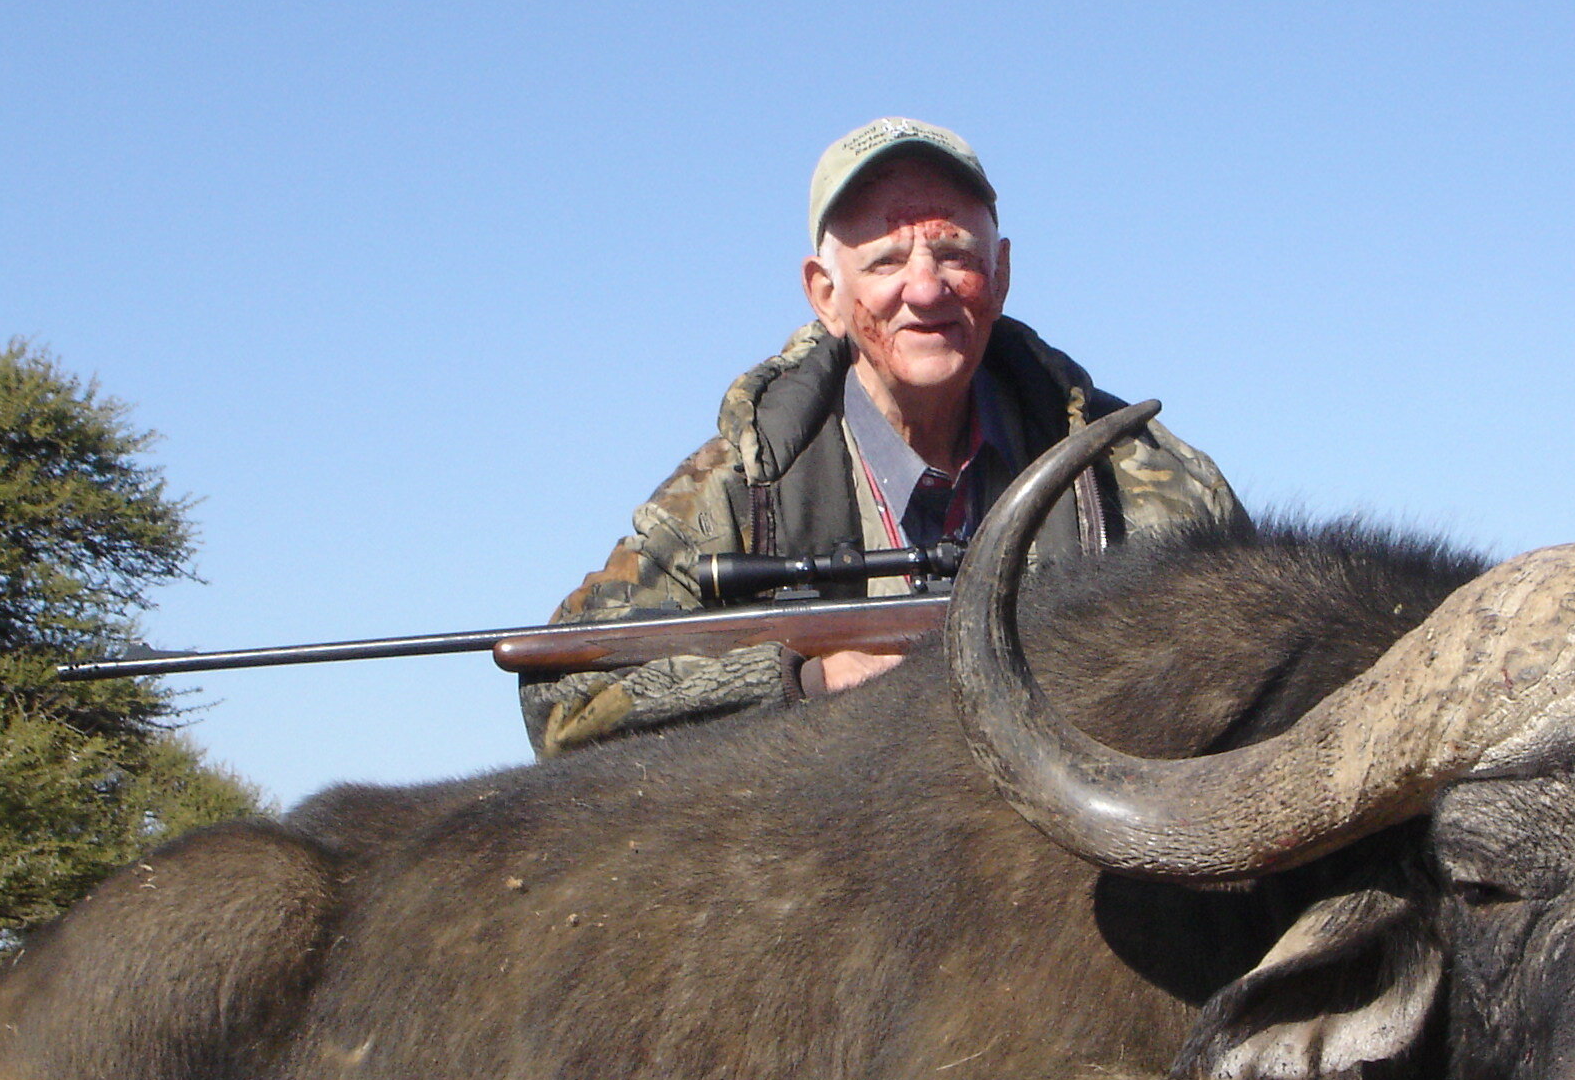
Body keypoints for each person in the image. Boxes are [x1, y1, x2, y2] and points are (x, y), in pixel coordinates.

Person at [522, 118, 1244, 756]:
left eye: (954, 253)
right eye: (886, 262)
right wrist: (804, 679)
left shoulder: (1149, 481)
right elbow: (561, 697)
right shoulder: (737, 491)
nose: (926, 289)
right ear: (824, 293)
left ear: (1001, 274)